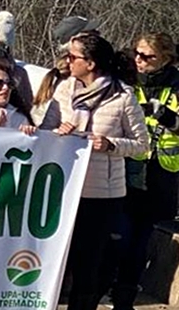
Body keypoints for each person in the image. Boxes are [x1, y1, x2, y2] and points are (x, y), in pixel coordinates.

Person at [54, 30, 148, 310]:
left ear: (91, 63)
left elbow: (142, 145)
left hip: (103, 195)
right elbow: (46, 132)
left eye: (73, 57)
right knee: (59, 261)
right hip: (66, 189)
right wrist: (60, 131)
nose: (67, 61)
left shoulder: (122, 96)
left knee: (89, 265)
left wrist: (110, 144)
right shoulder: (64, 89)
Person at [107, 32, 179, 310]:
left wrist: (167, 118)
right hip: (128, 166)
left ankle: (124, 298)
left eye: (148, 56)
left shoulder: (175, 86)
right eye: (137, 53)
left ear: (166, 59)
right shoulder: (127, 80)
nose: (140, 60)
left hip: (161, 171)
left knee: (142, 237)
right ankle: (110, 287)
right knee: (119, 234)